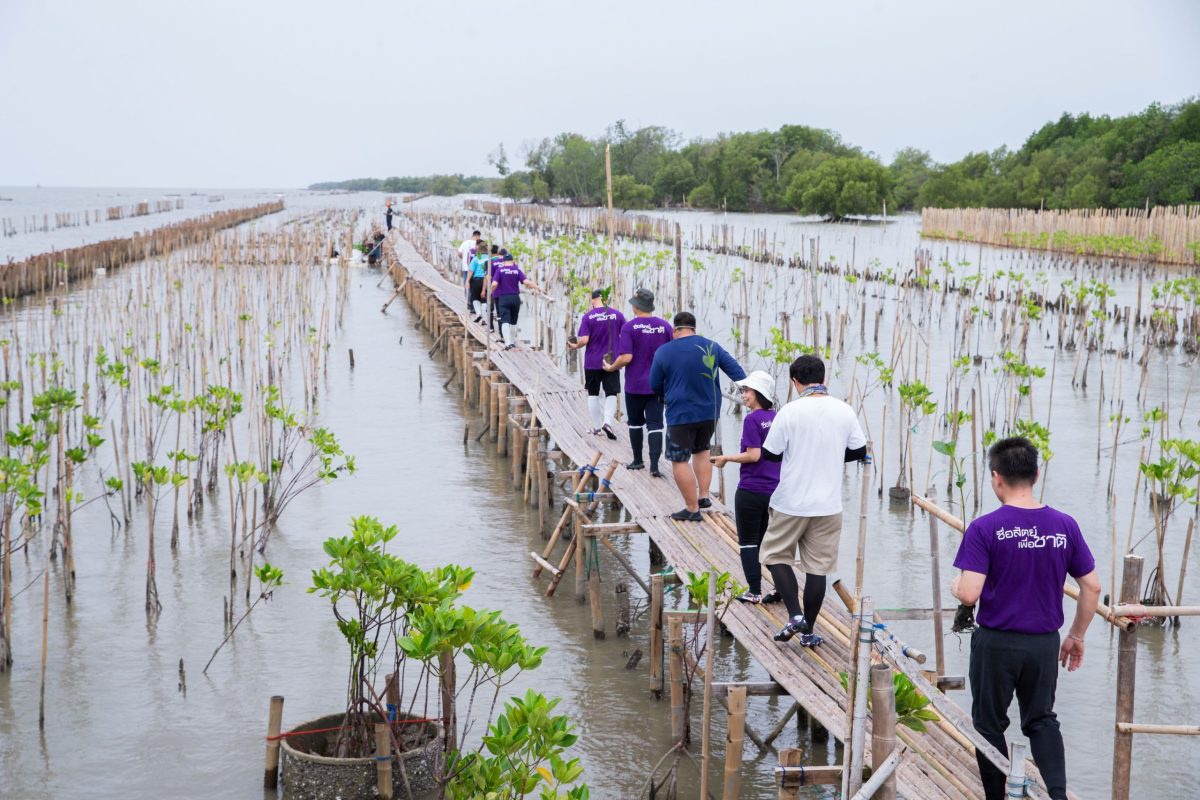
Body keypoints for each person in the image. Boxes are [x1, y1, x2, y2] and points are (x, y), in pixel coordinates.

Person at [950, 436, 1099, 800]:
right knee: (1041, 719)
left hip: (997, 643)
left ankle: (995, 797)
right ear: (1035, 475)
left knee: (988, 724)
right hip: (1044, 643)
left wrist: (957, 586)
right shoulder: (1065, 526)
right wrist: (1076, 635)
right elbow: (1092, 588)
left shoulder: (985, 528)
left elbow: (970, 592)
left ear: (995, 477)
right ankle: (1059, 796)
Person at [759, 354, 867, 647]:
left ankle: (795, 615)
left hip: (790, 501)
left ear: (795, 382)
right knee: (817, 568)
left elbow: (770, 453)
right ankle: (808, 632)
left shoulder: (790, 412)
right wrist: (830, 454)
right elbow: (858, 450)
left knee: (774, 555)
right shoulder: (844, 411)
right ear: (823, 378)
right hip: (829, 505)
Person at [649, 312, 746, 521]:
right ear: (694, 329)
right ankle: (703, 495)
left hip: (681, 413)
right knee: (702, 449)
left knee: (679, 459)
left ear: (675, 329)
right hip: (710, 412)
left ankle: (692, 509)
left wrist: (665, 394)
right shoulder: (711, 346)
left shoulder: (664, 351)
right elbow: (738, 373)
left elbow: (654, 384)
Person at [712, 371, 781, 603]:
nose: (744, 395)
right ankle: (781, 588)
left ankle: (754, 591)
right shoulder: (778, 417)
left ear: (759, 393)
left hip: (751, 490)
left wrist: (726, 459)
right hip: (774, 490)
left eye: (747, 391)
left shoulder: (752, 419)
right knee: (768, 542)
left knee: (749, 542)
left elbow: (753, 455)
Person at [604, 288, 672, 477]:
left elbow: (626, 357)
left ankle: (637, 460)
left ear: (636, 307)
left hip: (634, 385)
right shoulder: (665, 326)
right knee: (656, 424)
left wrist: (611, 368)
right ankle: (655, 466)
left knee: (635, 423)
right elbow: (671, 353)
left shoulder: (629, 327)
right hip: (658, 385)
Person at [568, 290, 625, 439]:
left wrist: (575, 346)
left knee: (593, 394)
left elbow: (585, 340)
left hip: (593, 362)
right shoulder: (617, 315)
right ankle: (608, 422)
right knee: (611, 393)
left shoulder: (588, 317)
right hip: (612, 360)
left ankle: (597, 428)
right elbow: (625, 335)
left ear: (594, 300)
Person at [490, 250, 537, 350]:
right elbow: (526, 282)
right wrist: (537, 288)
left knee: (504, 321)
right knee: (513, 321)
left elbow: (494, 284)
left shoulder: (500, 270)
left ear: (503, 261)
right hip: (515, 298)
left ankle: (507, 343)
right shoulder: (517, 270)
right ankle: (512, 341)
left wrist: (491, 292)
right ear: (512, 261)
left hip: (504, 298)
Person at [466, 242, 490, 321]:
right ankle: (484, 318)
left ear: (478, 249)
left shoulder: (477, 258)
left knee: (475, 298)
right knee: (484, 299)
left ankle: (479, 313)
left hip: (476, 280)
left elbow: (471, 270)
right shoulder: (490, 258)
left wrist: (467, 281)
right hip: (487, 280)